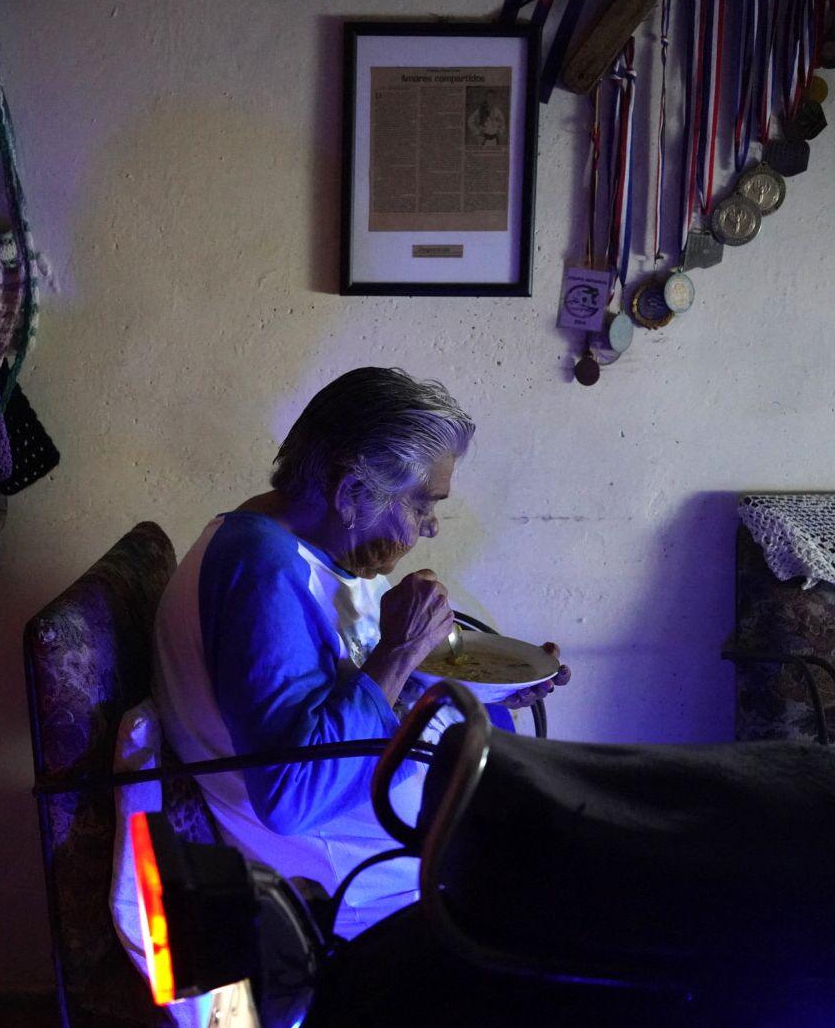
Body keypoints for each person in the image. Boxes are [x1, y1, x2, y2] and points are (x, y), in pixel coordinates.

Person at [151, 367, 570, 939]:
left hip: (398, 829)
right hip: (348, 875)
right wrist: (399, 649)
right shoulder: (261, 570)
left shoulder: (298, 542)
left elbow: (338, 686)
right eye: (422, 506)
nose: (431, 528)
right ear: (350, 492)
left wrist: (483, 684)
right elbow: (290, 796)